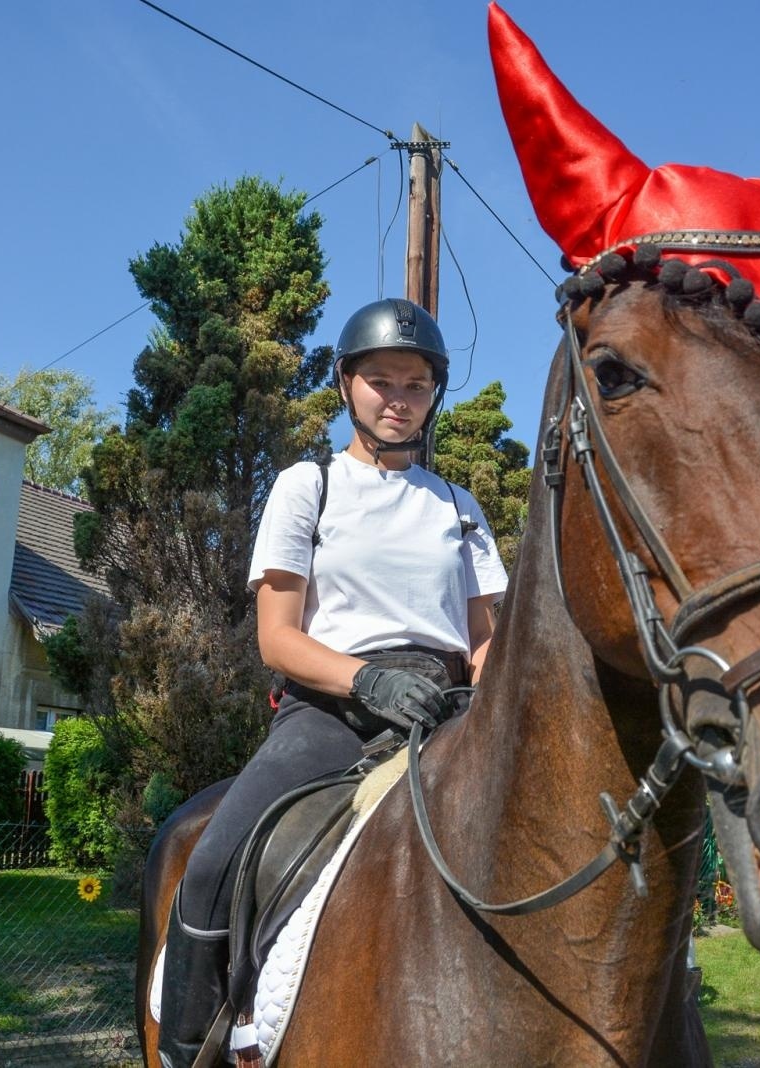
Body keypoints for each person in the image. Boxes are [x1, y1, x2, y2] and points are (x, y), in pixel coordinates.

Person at [156, 298, 508, 1066]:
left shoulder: (461, 507)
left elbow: (485, 640)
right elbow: (277, 637)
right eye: (380, 379)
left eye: (415, 383)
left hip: (447, 708)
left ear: (433, 394)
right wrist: (367, 682)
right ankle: (190, 1050)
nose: (398, 397)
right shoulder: (307, 487)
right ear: (347, 385)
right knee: (214, 859)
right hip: (332, 710)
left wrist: (480, 693)